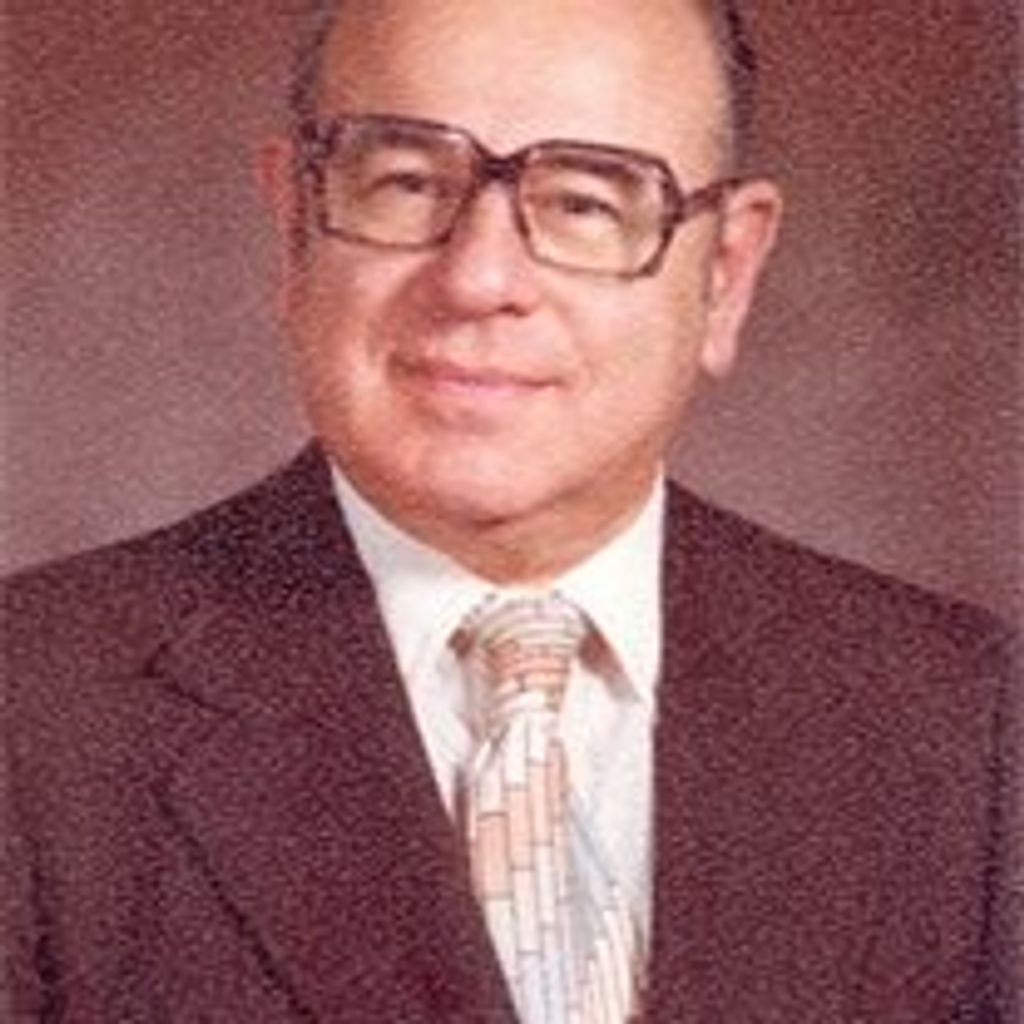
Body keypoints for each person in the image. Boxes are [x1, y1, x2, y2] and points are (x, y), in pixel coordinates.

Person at [4, 1, 1016, 1021]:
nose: (479, 279)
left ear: (725, 273)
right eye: (408, 184)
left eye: (585, 201)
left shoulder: (965, 725)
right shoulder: (35, 713)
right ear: (293, 228)